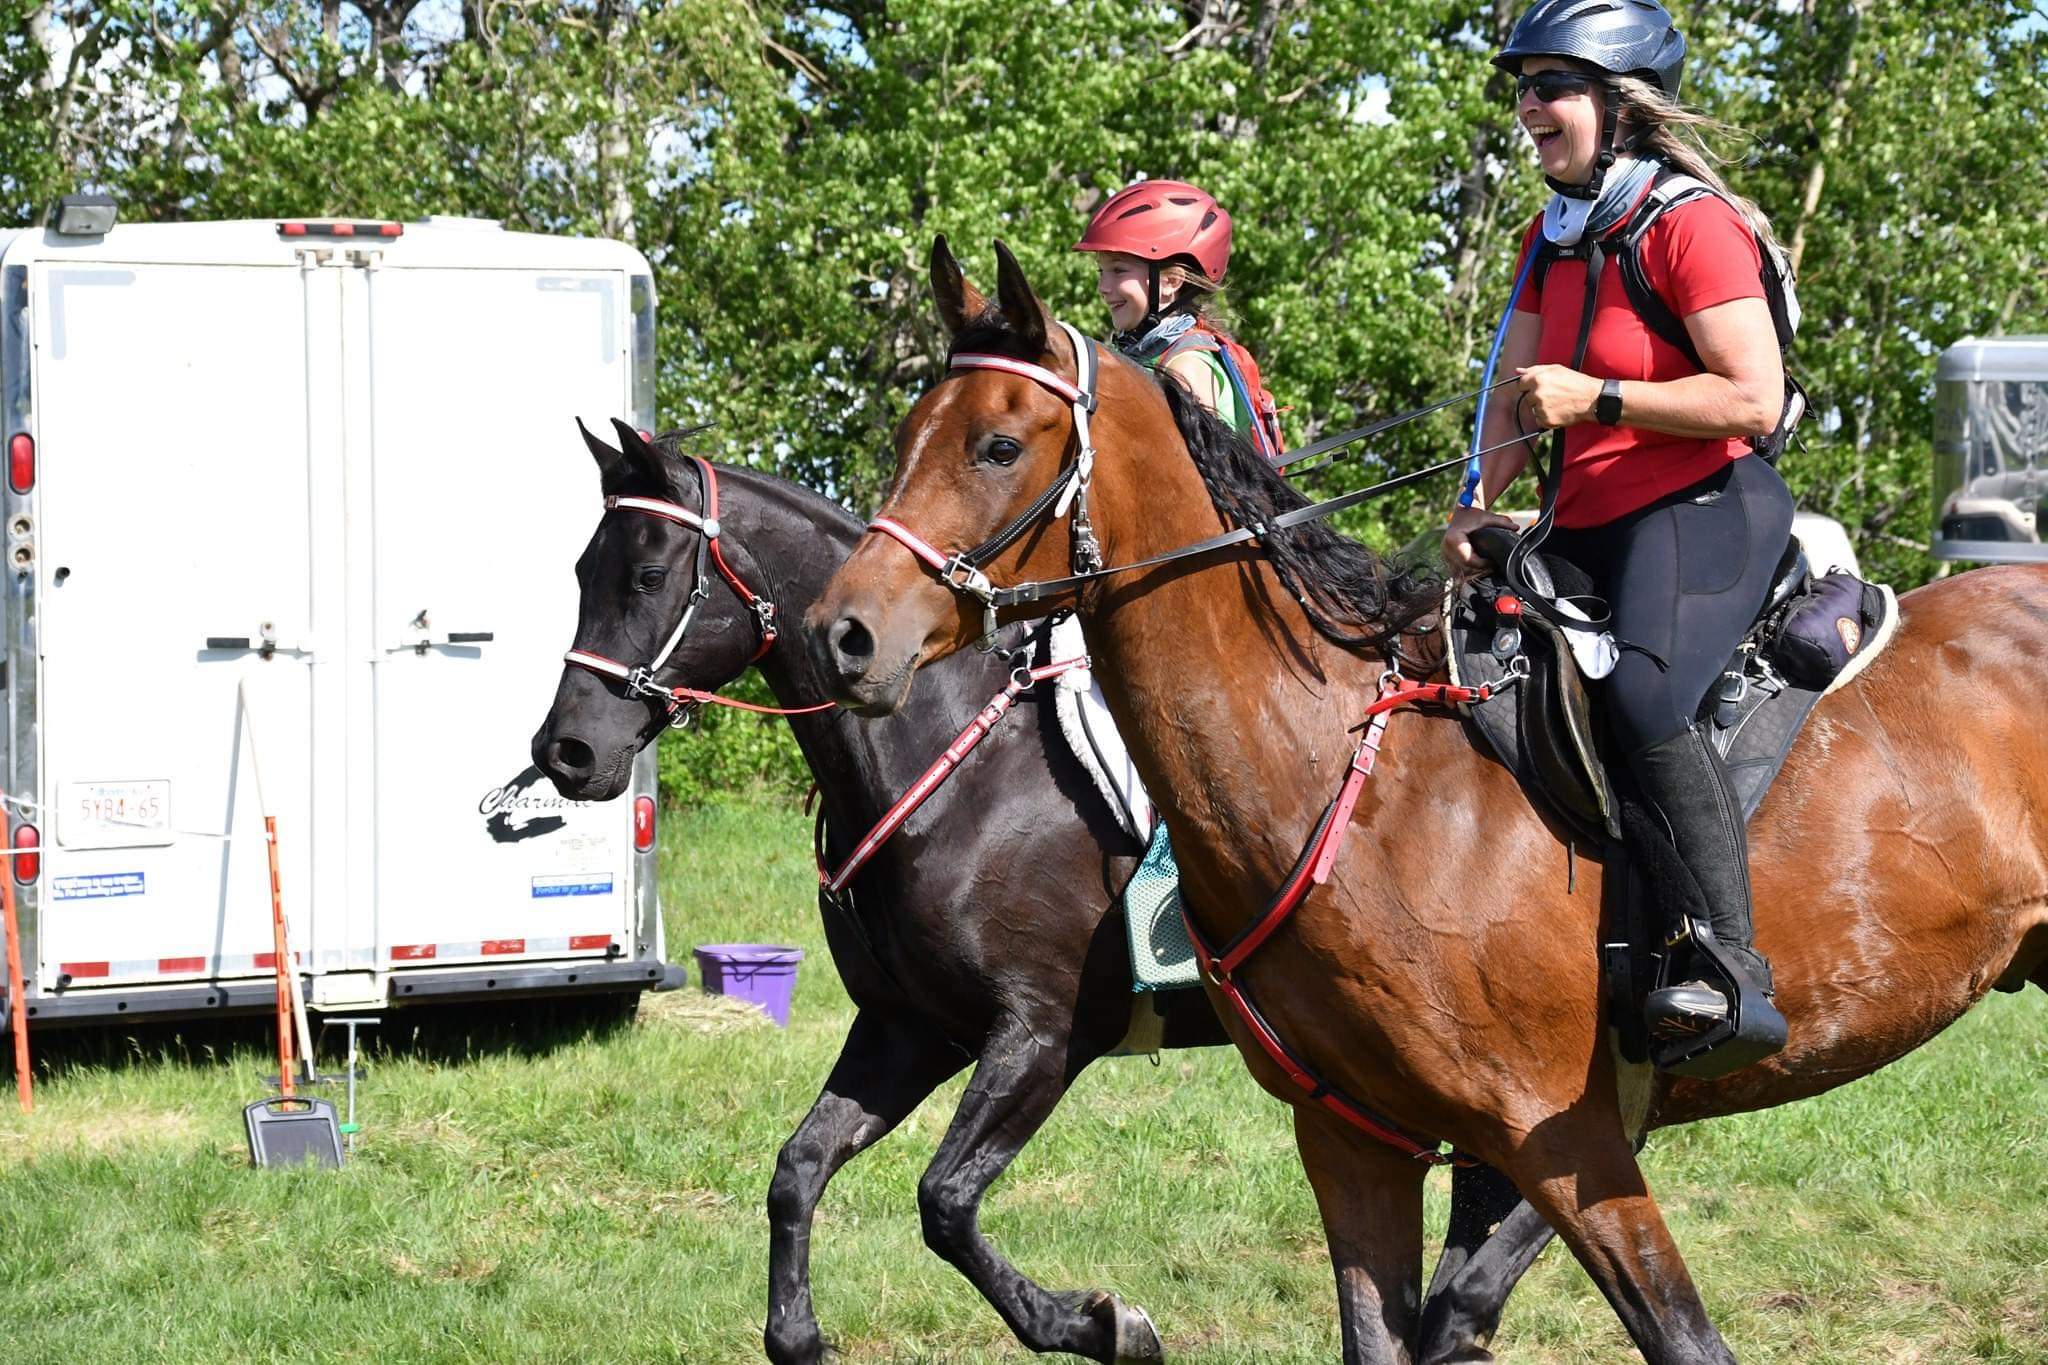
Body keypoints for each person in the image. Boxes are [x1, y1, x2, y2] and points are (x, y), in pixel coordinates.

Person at [1442, 0, 1794, 1056]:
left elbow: (1752, 401)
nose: (1527, 108)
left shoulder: (1690, 224)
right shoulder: (1546, 235)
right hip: (1583, 517)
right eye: (1522, 88)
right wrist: (1475, 501)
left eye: (1551, 87)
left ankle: (1729, 968)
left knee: (1638, 690)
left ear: (1619, 106)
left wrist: (1596, 401)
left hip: (1701, 509)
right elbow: (1513, 391)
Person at [1074, 180, 1285, 457]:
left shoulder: (1185, 366)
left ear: (1171, 282)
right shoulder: (1148, 354)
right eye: (1101, 272)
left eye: (1119, 270)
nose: (1103, 287)